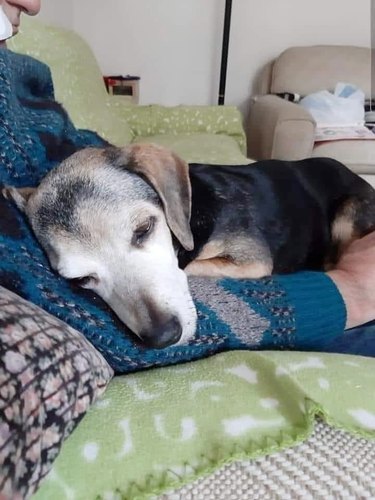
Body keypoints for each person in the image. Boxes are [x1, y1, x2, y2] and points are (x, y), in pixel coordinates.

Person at [0, 0, 374, 369]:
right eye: (84, 277)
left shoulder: (22, 75)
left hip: (332, 191)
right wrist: (347, 291)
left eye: (142, 230)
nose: (33, 4)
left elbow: (253, 260)